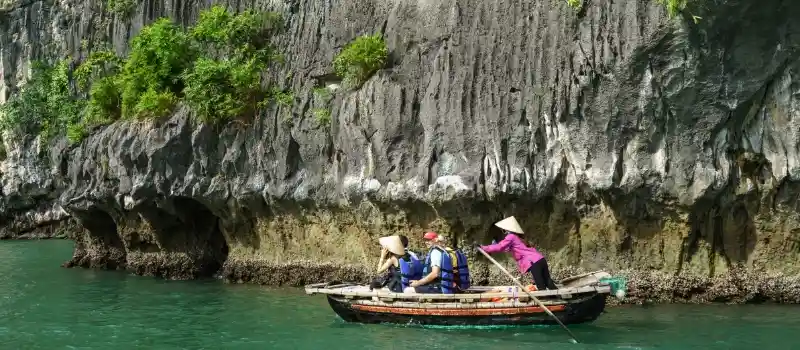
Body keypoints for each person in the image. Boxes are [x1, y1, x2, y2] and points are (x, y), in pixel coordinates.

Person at [479, 216, 558, 290]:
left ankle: (545, 300)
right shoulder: (519, 237)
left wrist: (484, 248)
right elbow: (506, 248)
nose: (503, 230)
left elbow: (500, 247)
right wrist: (493, 246)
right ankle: (558, 296)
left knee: (540, 283)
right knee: (548, 281)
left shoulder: (511, 236)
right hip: (540, 259)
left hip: (533, 262)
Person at [405, 232, 470, 294]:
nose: (426, 242)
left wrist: (419, 283)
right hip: (446, 286)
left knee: (408, 290)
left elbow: (435, 274)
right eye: (425, 240)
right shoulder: (443, 251)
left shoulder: (435, 252)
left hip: (439, 287)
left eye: (429, 240)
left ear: (435, 240)